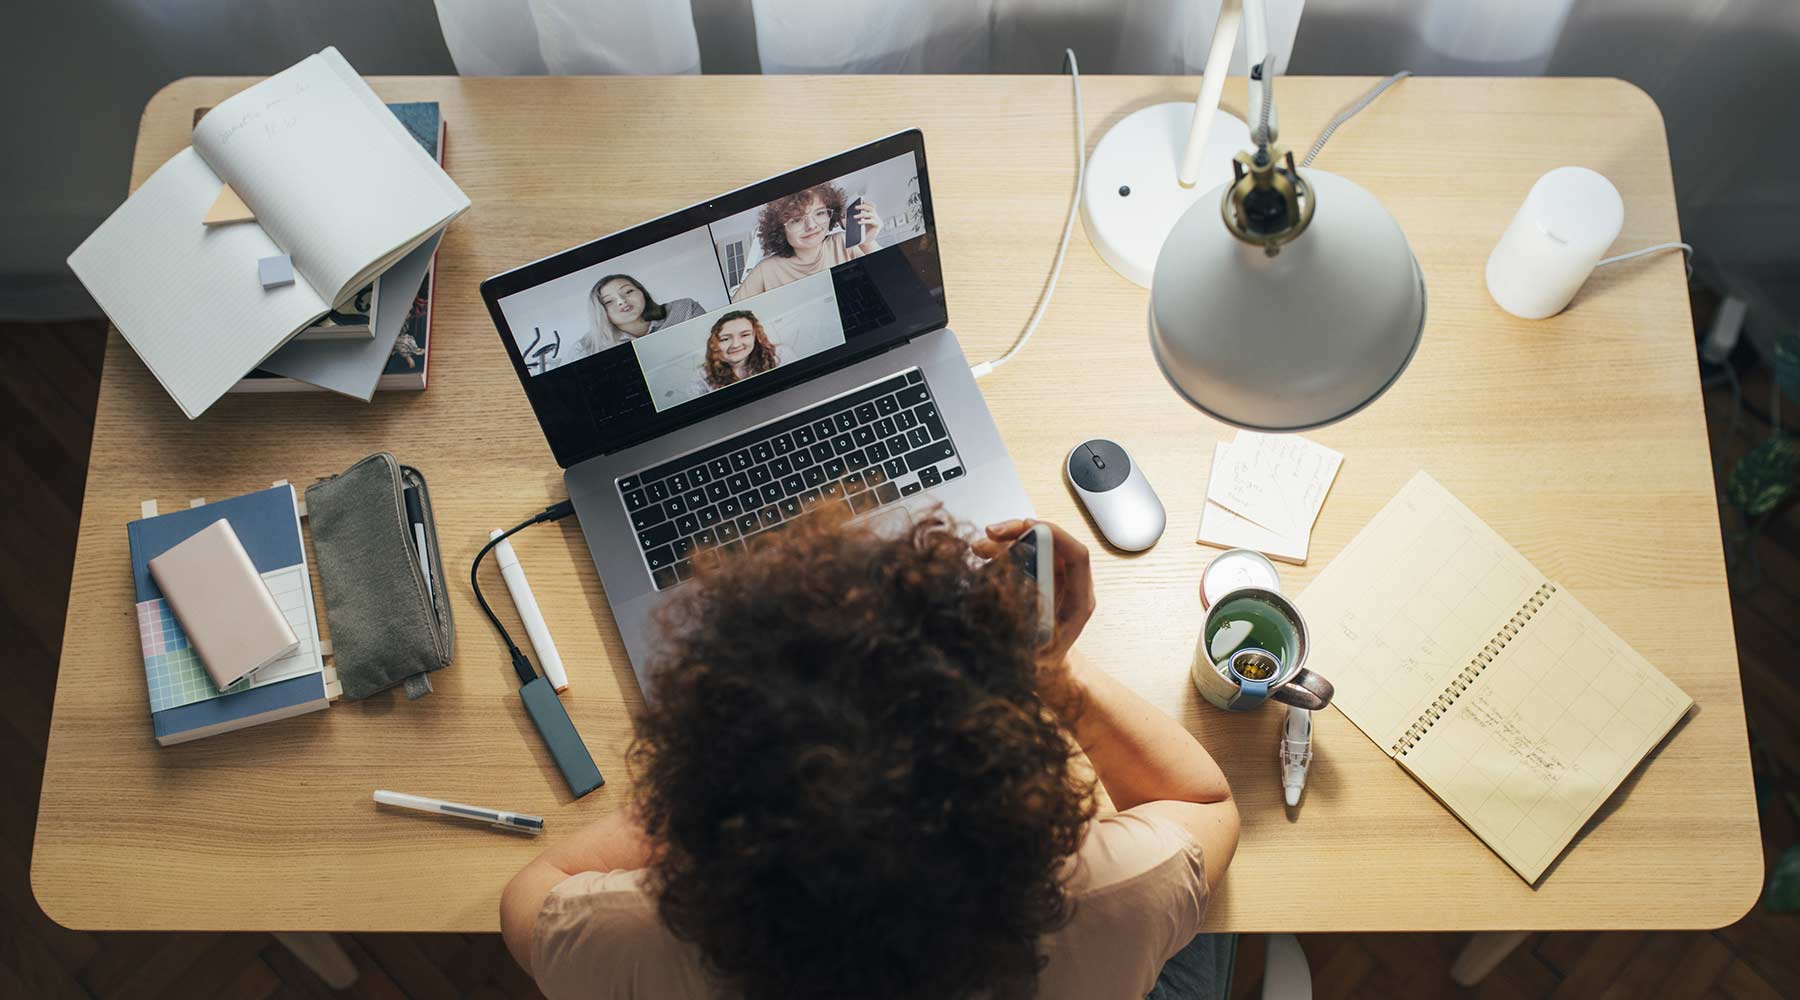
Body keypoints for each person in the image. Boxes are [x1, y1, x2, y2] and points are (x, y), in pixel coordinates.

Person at [500, 510, 1241, 1000]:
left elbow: (532, 892)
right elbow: (1205, 802)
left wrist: (703, 796)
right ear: (1019, 798)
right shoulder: (1115, 897)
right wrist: (1050, 674)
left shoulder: (632, 943)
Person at [732, 183, 882, 301]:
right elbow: (728, 317)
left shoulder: (844, 243)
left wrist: (867, 243)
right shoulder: (765, 270)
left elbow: (892, 284)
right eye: (796, 220)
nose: (811, 226)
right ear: (779, 230)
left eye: (820, 213)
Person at [587, 274, 706, 352]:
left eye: (628, 291)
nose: (622, 301)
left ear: (643, 292)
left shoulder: (685, 308)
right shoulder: (587, 347)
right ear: (599, 312)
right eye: (608, 301)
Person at [699, 310, 780, 391]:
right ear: (714, 344)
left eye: (745, 335)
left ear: (755, 337)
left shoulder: (779, 355)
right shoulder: (701, 376)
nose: (735, 345)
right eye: (725, 339)